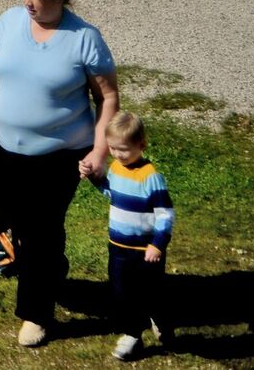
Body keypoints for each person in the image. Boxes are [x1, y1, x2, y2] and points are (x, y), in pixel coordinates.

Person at [0, 0, 120, 348]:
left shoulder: (84, 39)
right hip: (5, 148)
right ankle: (52, 270)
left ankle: (35, 315)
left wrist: (99, 151)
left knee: (41, 231)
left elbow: (107, 97)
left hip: (61, 155)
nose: (28, 3)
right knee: (20, 225)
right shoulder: (10, 21)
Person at [92, 111, 173, 361]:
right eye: (113, 149)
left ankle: (161, 320)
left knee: (150, 293)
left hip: (145, 251)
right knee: (122, 293)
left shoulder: (151, 177)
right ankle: (133, 335)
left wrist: (158, 245)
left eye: (124, 149)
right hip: (118, 247)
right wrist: (95, 180)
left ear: (142, 145)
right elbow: (112, 194)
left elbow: (165, 214)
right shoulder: (117, 168)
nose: (117, 154)